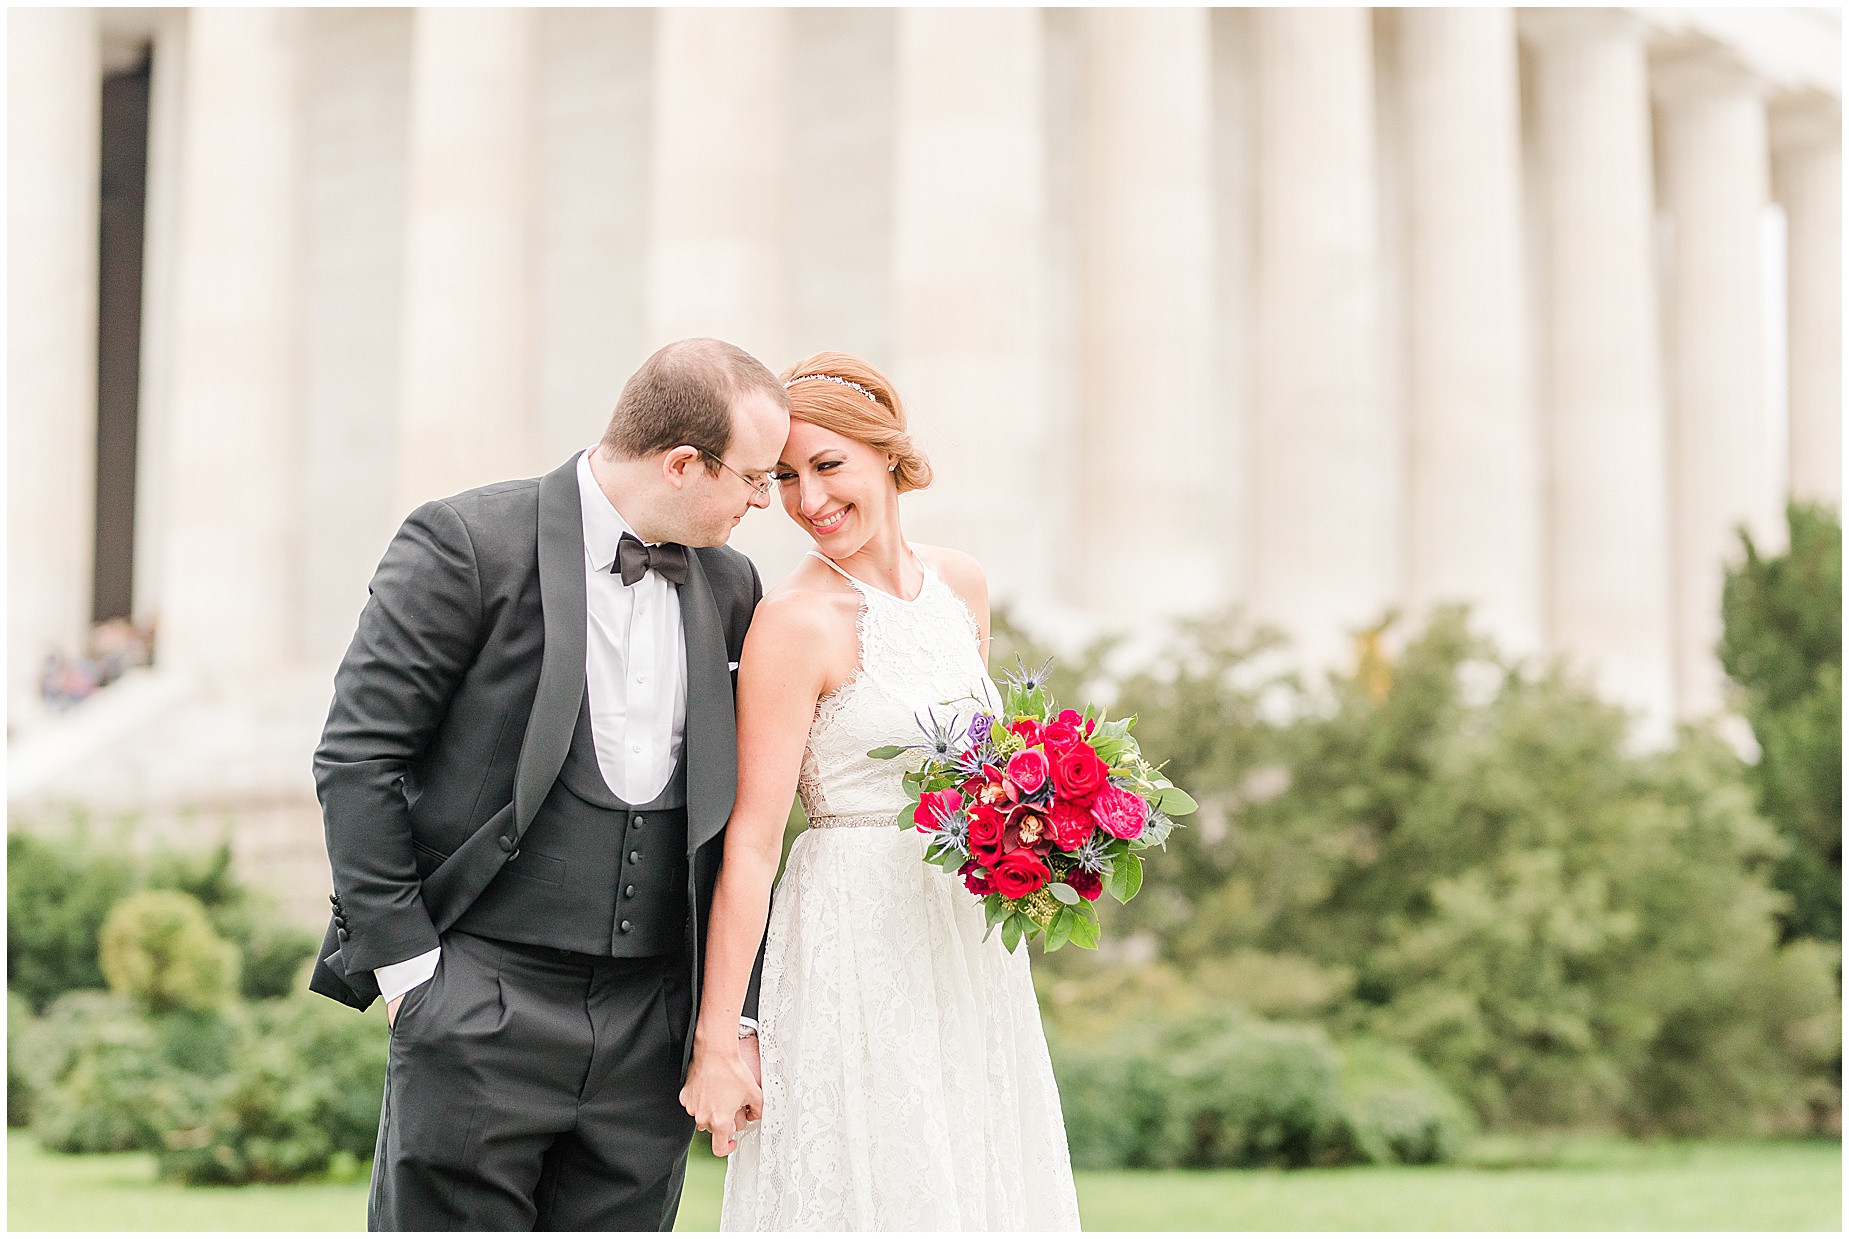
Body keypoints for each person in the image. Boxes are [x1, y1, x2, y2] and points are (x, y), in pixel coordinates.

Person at [309, 338, 789, 1230]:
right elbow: (357, 756)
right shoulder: (464, 541)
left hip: (651, 1021)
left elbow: (740, 820)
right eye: (757, 478)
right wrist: (415, 974)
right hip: (478, 999)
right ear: (684, 463)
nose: (767, 501)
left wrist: (727, 1016)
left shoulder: (731, 583)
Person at [679, 352, 1081, 1230]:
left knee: (975, 1169)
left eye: (827, 466)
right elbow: (751, 839)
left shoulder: (961, 584)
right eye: (784, 476)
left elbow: (982, 772)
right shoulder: (794, 620)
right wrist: (719, 1036)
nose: (806, 500)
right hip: (850, 937)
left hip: (964, 937)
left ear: (887, 456)